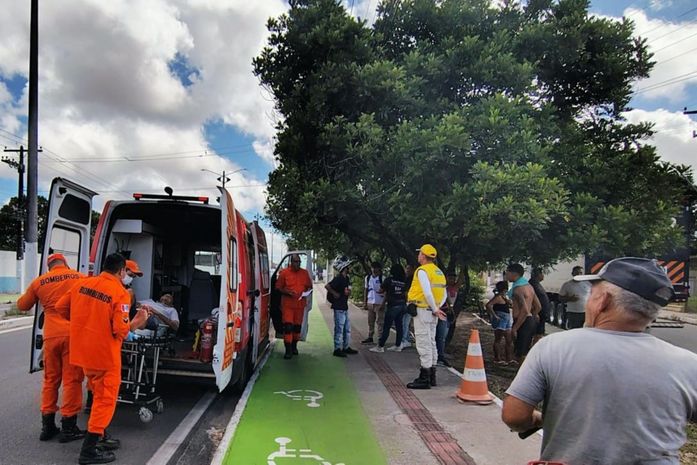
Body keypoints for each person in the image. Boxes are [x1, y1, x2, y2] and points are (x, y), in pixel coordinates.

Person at [502, 257, 697, 465]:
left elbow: (514, 416)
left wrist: (540, 419)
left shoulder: (553, 348)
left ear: (603, 301)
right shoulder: (689, 363)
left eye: (591, 294)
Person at [56, 253, 148, 464]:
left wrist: (84, 320)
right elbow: (120, 331)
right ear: (121, 271)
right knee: (105, 400)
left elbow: (61, 308)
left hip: (82, 352)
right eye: (127, 272)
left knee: (97, 393)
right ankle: (88, 450)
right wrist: (138, 321)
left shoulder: (82, 284)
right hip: (105, 355)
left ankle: (101, 437)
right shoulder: (119, 292)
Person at [16, 253, 86, 443]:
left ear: (49, 267)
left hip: (51, 337)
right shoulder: (79, 277)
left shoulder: (40, 282)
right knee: (72, 380)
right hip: (73, 335)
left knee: (50, 380)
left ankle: (47, 427)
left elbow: (22, 305)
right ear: (65, 263)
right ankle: (69, 427)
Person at [406, 244, 447, 390]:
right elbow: (444, 293)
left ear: (423, 255)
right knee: (431, 342)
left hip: (423, 310)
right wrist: (437, 307)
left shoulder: (422, 271)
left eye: (420, 254)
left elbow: (427, 292)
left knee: (423, 343)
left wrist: (435, 309)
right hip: (432, 311)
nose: (418, 256)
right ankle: (432, 375)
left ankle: (424, 378)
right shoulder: (439, 272)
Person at [275, 254, 313, 359]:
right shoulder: (284, 273)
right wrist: (286, 292)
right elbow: (278, 287)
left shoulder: (304, 273)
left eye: (299, 262)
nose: (298, 264)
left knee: (297, 328)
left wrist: (306, 292)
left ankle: (294, 347)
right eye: (296, 262)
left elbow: (310, 287)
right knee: (288, 327)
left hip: (299, 306)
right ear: (291, 262)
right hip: (288, 305)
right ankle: (288, 350)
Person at [505, 263, 541, 363]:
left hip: (522, 322)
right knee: (523, 352)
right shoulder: (529, 287)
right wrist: (533, 317)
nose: (506, 275)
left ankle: (524, 376)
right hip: (529, 321)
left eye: (507, 273)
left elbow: (524, 310)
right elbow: (538, 306)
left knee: (521, 355)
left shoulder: (517, 289)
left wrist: (515, 328)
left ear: (514, 274)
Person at [325, 256, 358, 357]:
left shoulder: (346, 278)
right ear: (344, 268)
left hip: (344, 306)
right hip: (338, 307)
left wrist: (348, 293)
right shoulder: (338, 278)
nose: (349, 268)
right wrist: (335, 293)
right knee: (339, 328)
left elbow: (346, 290)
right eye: (348, 267)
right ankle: (337, 348)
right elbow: (327, 286)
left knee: (347, 328)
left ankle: (346, 346)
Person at [370, 263, 407, 353]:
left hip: (392, 305)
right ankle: (398, 345)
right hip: (402, 305)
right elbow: (406, 293)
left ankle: (380, 346)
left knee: (386, 326)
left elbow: (381, 290)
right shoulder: (404, 281)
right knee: (399, 326)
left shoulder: (389, 280)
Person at [485, 281, 513, 365]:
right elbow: (488, 305)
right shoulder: (498, 297)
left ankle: (509, 358)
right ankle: (497, 358)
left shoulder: (503, 297)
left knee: (509, 339)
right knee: (498, 339)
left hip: (506, 319)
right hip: (501, 319)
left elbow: (510, 304)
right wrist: (494, 315)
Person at [362, 262, 385, 344]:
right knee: (370, 321)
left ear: (379, 269)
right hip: (370, 301)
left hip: (379, 301)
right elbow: (366, 289)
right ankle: (370, 336)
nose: (373, 270)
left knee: (380, 321)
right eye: (372, 268)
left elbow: (386, 292)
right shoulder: (368, 278)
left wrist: (383, 303)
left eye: (375, 268)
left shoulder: (382, 278)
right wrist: (365, 302)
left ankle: (380, 338)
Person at [529, 268, 551, 344]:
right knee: (537, 334)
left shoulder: (536, 284)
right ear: (538, 275)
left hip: (541, 314)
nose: (543, 276)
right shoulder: (532, 284)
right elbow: (530, 300)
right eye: (542, 273)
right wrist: (535, 313)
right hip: (538, 314)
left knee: (539, 334)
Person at [400, 264, 416, 349]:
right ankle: (406, 338)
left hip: (409, 303)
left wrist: (407, 301)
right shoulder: (407, 279)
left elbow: (406, 292)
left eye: (409, 269)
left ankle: (405, 340)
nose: (407, 270)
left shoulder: (411, 279)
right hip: (408, 302)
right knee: (406, 322)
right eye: (406, 268)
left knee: (405, 322)